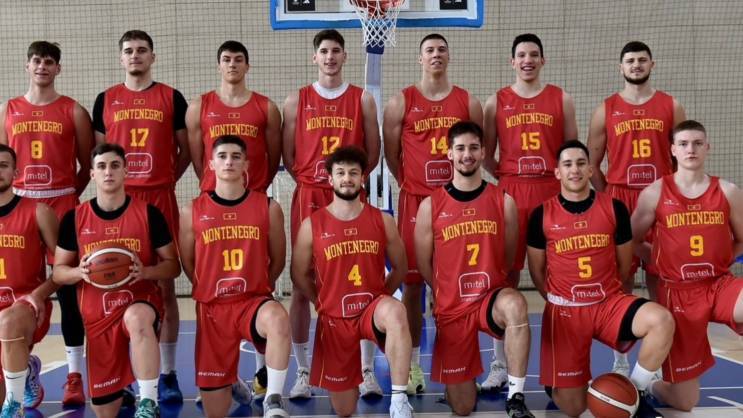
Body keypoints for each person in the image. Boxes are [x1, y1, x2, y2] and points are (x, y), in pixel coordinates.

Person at [526, 140, 674, 418]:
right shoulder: (541, 215)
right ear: (557, 172)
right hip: (566, 311)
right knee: (573, 408)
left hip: (608, 304)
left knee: (662, 320)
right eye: (567, 164)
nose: (574, 170)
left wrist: (606, 293)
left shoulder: (615, 208)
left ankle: (634, 393)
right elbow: (537, 271)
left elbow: (623, 264)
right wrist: (560, 298)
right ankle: (559, 382)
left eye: (581, 163)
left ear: (591, 169)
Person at [281, 29, 381, 399]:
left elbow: (373, 152)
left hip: (351, 195)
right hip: (310, 194)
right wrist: (312, 180)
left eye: (336, 50)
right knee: (301, 283)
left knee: (362, 280)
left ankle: (366, 370)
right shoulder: (297, 100)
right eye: (323, 51)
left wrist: (349, 183)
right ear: (315, 57)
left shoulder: (362, 99)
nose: (330, 57)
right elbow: (288, 154)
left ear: (344, 56)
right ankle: (303, 371)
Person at [382, 33, 483, 395]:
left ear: (449, 56)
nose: (436, 54)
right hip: (415, 200)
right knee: (412, 286)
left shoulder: (468, 101)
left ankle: (460, 363)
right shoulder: (401, 101)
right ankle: (412, 367)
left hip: (458, 202)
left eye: (441, 49)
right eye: (429, 50)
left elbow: (476, 150)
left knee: (456, 284)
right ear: (419, 58)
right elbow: (392, 154)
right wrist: (411, 183)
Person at [92, 30, 188, 402]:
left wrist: (167, 178)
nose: (135, 56)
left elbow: (185, 149)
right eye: (129, 51)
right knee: (116, 283)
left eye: (142, 50)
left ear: (153, 57)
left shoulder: (171, 97)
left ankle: (168, 373)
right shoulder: (105, 99)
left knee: (164, 285)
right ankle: (126, 377)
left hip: (159, 196)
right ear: (121, 58)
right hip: (119, 201)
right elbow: (100, 153)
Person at [53, 143, 181, 418]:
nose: (108, 172)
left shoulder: (149, 214)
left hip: (140, 300)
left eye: (114, 165)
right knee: (104, 409)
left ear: (125, 171)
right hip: (98, 316)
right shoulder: (74, 218)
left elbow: (173, 266)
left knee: (137, 318)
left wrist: (146, 272)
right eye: (101, 166)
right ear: (92, 174)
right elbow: (58, 273)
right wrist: (79, 272)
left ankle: (148, 402)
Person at [414, 121, 533, 417]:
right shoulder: (431, 205)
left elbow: (507, 257)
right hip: (453, 307)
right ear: (449, 154)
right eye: (460, 148)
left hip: (489, 299)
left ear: (482, 153)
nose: (467, 154)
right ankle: (456, 387)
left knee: (516, 304)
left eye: (473, 148)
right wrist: (442, 291)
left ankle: (516, 397)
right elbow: (424, 262)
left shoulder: (503, 201)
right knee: (463, 407)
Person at [481, 33, 578, 389]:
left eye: (534, 54)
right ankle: (499, 364)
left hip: (551, 193)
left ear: (543, 60)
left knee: (558, 278)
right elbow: (486, 154)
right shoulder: (496, 101)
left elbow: (571, 151)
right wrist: (506, 176)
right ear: (512, 61)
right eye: (521, 55)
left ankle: (561, 363)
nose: (527, 60)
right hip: (510, 192)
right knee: (503, 276)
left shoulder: (561, 99)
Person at [0, 40, 93, 407]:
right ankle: (25, 364)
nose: (42, 66)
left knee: (69, 290)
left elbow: (87, 165)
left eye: (49, 61)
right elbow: (3, 159)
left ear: (58, 69)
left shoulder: (74, 110)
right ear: (27, 66)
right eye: (37, 61)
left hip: (62, 200)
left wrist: (66, 197)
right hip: (18, 205)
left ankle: (74, 375)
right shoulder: (9, 109)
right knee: (17, 285)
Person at [586, 40, 685, 376]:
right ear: (621, 67)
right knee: (622, 280)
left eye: (642, 60)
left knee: (660, 278)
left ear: (652, 64)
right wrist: (609, 199)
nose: (636, 65)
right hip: (622, 198)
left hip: (660, 200)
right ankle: (621, 359)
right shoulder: (606, 109)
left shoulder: (671, 105)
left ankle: (656, 358)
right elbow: (592, 162)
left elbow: (681, 158)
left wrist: (673, 196)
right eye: (630, 61)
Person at [630, 120, 743, 412]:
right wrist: (660, 259)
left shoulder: (728, 191)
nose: (690, 149)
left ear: (707, 147)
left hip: (718, 284)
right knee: (685, 401)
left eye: (697, 143)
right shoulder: (655, 192)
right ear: (673, 150)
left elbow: (742, 238)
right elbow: (632, 240)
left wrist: (722, 259)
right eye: (683, 144)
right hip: (677, 293)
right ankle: (653, 385)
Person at [292, 146, 412, 417]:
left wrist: (382, 296)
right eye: (341, 173)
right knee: (344, 409)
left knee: (395, 311)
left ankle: (399, 400)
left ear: (362, 178)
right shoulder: (312, 225)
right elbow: (298, 273)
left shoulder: (382, 220)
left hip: (371, 311)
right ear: (330, 179)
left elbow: (401, 267)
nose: (347, 178)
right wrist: (320, 301)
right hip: (335, 317)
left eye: (353, 173)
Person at [179, 135, 290, 418]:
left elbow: (278, 258)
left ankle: (273, 399)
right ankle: (230, 380)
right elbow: (188, 261)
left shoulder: (268, 207)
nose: (229, 161)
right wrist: (207, 286)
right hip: (212, 309)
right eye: (222, 156)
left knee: (277, 318)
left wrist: (261, 286)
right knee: (215, 412)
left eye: (236, 156)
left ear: (246, 165)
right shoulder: (192, 211)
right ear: (211, 164)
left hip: (252, 302)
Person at [0, 145, 58, 417]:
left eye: (3, 165)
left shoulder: (38, 212)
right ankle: (27, 369)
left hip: (26, 307)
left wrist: (39, 294)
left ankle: (15, 407)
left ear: (16, 172)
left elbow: (63, 267)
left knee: (8, 322)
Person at [186, 40, 282, 194]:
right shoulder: (198, 106)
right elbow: (197, 159)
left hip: (254, 192)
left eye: (238, 60)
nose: (232, 64)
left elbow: (274, 157)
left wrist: (260, 185)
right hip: (213, 193)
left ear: (247, 67)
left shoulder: (267, 107)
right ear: (219, 66)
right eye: (226, 60)